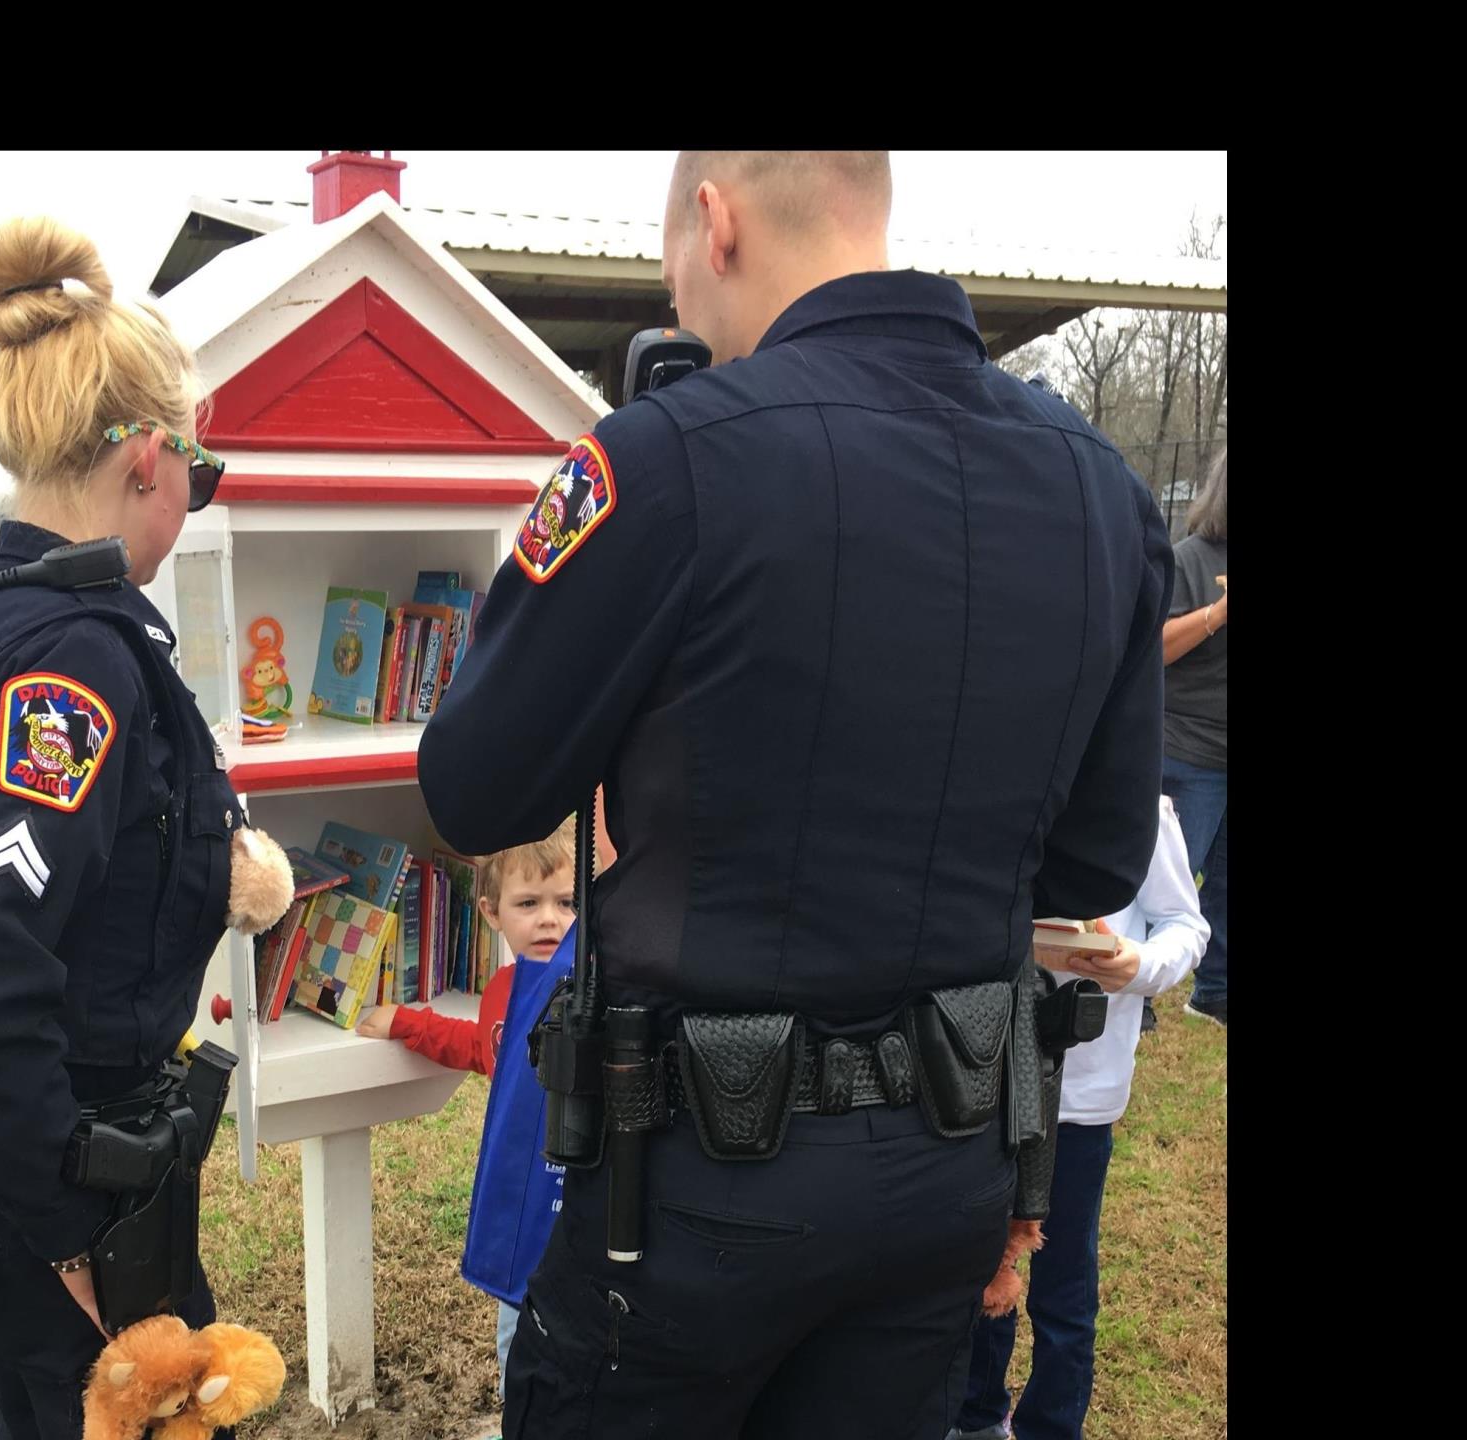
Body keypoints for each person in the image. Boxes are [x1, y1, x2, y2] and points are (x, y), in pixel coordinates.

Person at [416, 152, 1174, 1440]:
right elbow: (1098, 861)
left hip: (694, 1193)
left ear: (714, 222)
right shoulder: (1098, 484)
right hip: (947, 1172)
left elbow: (477, 785)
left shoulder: (662, 459)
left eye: (671, 266)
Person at [0, 216, 243, 1440]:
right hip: (59, 1187)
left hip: (8, 1164)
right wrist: (71, 1234)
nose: (199, 492)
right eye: (204, 465)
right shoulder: (75, 663)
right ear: (147, 459)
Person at [948, 795, 1210, 1440]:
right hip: (976, 1078)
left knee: (1064, 1281)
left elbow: (1185, 923)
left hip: (1081, 1095)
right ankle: (975, 1415)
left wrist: (1137, 964)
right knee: (978, 1265)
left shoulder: (1138, 811)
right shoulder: (988, 785)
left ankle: (1052, 1426)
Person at [355, 823, 580, 1394]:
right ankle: (519, 1416)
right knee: (517, 1322)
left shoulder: (592, 986)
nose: (550, 919)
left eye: (567, 902)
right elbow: (483, 1049)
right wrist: (406, 1022)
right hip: (524, 1190)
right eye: (528, 903)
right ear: (491, 912)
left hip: (578, 1190)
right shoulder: (506, 989)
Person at [1157, 447, 1228, 1025]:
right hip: (1188, 749)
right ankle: (1135, 988)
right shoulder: (1188, 559)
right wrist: (1219, 611)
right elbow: (1156, 646)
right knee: (1166, 874)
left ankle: (1215, 992)